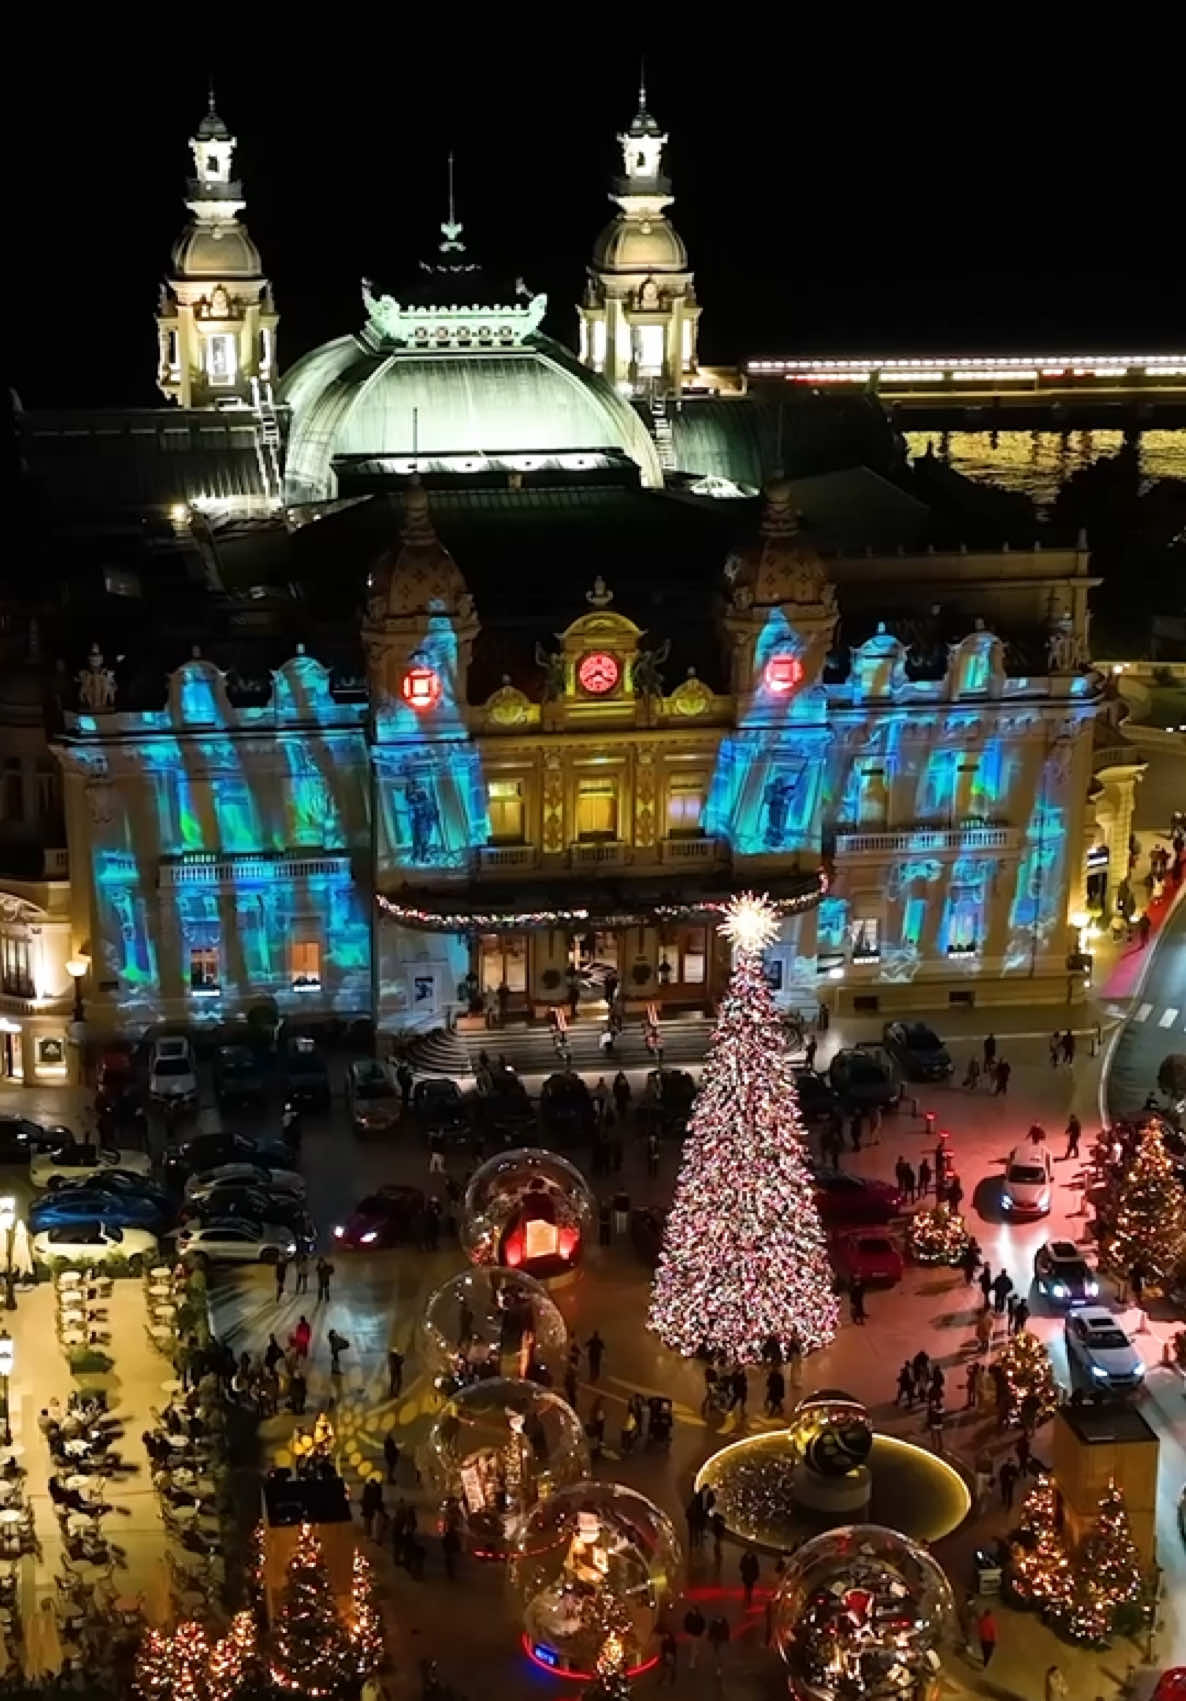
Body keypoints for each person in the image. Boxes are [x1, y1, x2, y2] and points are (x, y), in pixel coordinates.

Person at [360, 1475, 384, 1539]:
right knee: (371, 1523)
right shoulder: (377, 1488)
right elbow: (377, 1498)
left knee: (370, 1523)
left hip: (369, 1508)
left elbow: (367, 1497)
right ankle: (370, 1535)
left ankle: (369, 1535)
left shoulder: (369, 1488)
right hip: (370, 1508)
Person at [683, 1604, 706, 1669]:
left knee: (693, 1646)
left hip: (696, 1634)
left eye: (693, 1610)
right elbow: (686, 1623)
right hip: (691, 1633)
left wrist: (701, 1632)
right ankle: (694, 1653)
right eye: (692, 1610)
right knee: (693, 1646)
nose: (692, 1611)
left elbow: (702, 1624)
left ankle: (692, 1662)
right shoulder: (689, 1616)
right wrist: (687, 1632)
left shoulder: (699, 1617)